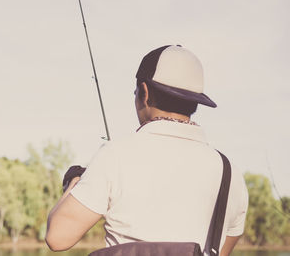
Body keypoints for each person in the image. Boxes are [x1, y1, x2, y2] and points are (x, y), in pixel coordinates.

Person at [45, 45, 248, 256]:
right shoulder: (230, 172)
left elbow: (57, 237)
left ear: (145, 92)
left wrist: (75, 181)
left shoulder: (115, 155)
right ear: (195, 102)